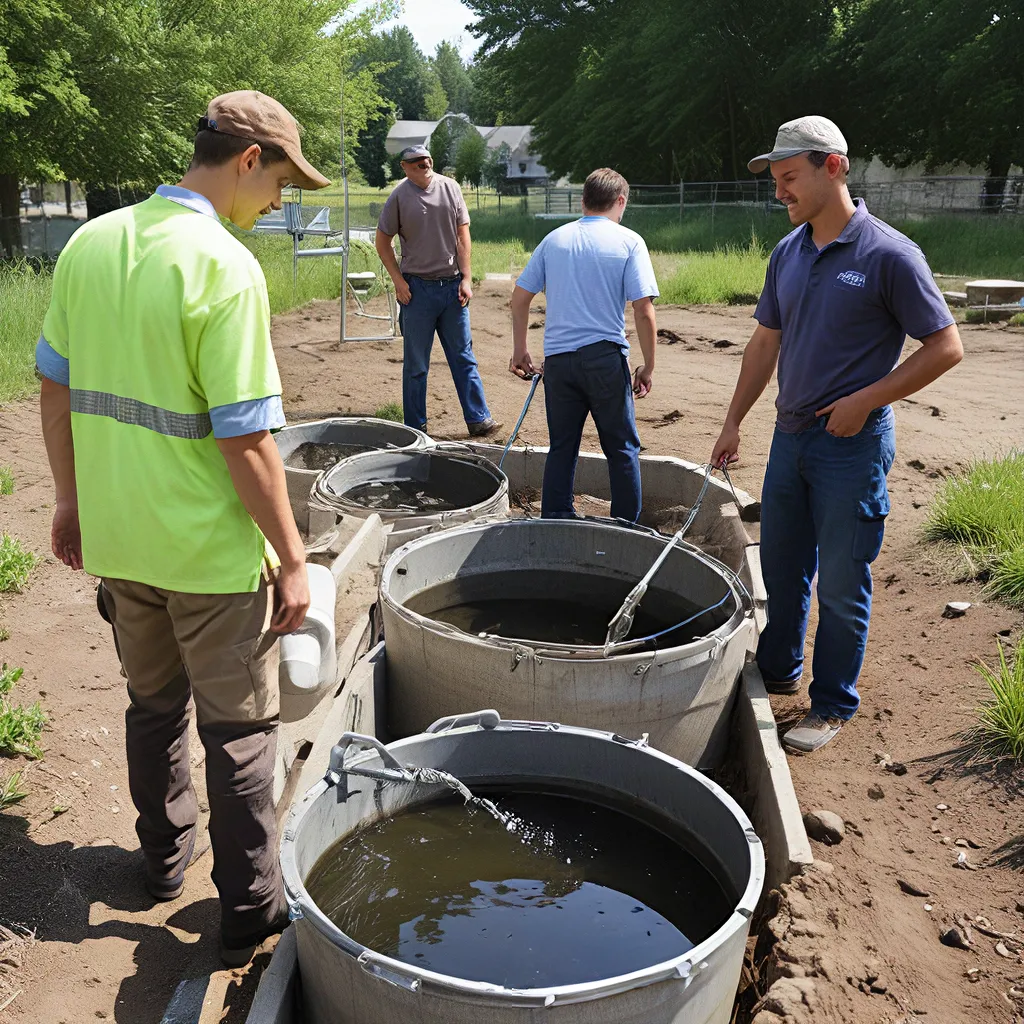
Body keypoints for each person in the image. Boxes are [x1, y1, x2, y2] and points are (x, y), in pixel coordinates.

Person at [36, 91, 326, 966]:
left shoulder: (93, 242)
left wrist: (70, 500)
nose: (280, 199)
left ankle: (162, 862)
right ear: (246, 160)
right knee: (240, 729)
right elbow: (247, 439)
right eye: (279, 179)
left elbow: (55, 388)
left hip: (121, 539)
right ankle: (250, 909)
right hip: (208, 553)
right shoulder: (224, 266)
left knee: (152, 706)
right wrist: (292, 554)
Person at [711, 116, 963, 753]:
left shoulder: (889, 254)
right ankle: (779, 669)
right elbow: (765, 341)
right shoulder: (788, 253)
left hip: (851, 444)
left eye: (789, 179)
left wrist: (866, 400)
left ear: (834, 167)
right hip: (790, 438)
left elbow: (946, 346)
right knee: (783, 565)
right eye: (776, 182)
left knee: (845, 579)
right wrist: (735, 419)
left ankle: (831, 704)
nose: (780, 194)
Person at [509, 167, 658, 523]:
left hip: (559, 363)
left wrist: (520, 349)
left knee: (562, 446)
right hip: (605, 359)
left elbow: (519, 298)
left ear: (583, 200)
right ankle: (625, 525)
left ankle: (557, 519)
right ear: (620, 201)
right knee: (622, 448)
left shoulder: (555, 240)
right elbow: (643, 309)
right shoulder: (629, 241)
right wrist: (648, 366)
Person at [375, 144, 500, 437]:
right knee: (417, 365)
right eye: (416, 161)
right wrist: (399, 282)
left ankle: (479, 420)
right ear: (404, 167)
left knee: (463, 357)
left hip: (452, 289)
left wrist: (467, 278)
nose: (424, 163)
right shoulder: (399, 197)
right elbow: (382, 243)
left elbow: (463, 236)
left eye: (427, 159)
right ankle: (415, 427)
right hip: (416, 291)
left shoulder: (451, 188)